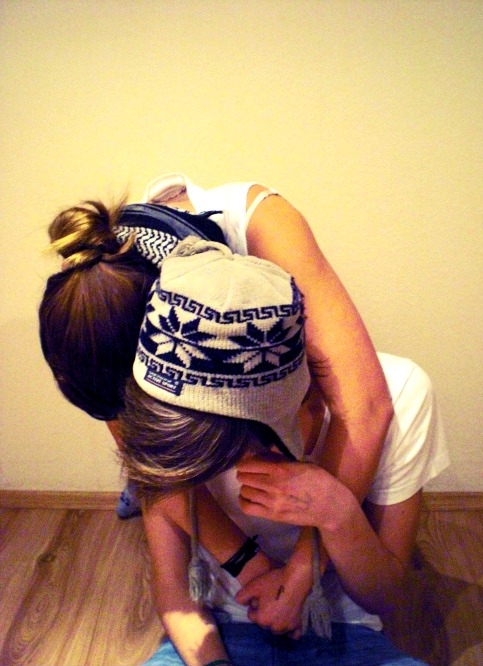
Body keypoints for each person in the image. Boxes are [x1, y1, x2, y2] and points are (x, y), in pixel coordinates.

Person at [38, 172, 395, 635]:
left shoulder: (267, 229)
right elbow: (150, 460)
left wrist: (299, 576)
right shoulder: (95, 288)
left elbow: (366, 409)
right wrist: (250, 565)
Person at [117, 237, 450, 665]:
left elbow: (387, 597)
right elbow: (175, 593)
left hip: (344, 631)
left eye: (233, 453)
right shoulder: (169, 433)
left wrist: (338, 514)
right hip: (217, 630)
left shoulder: (401, 394)